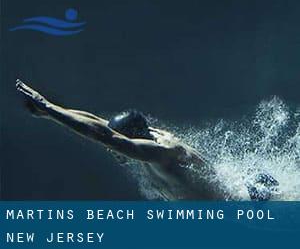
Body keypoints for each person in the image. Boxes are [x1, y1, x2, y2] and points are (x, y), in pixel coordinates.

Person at [15, 79, 278, 200]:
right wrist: (51, 112)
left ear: (132, 139)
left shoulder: (162, 153)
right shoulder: (146, 138)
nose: (110, 150)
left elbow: (105, 136)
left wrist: (48, 108)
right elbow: (99, 124)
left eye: (115, 145)